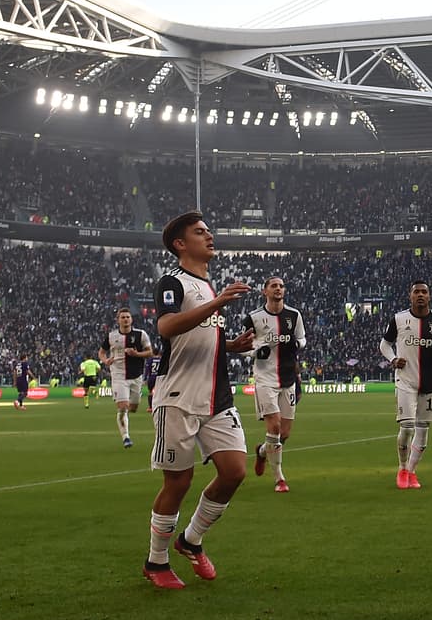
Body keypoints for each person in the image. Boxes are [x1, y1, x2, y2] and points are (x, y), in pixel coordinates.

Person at [141, 211, 257, 590]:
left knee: (235, 471)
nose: (209, 236)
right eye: (200, 232)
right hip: (178, 396)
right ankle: (155, 562)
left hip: (216, 397)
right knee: (179, 482)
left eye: (209, 230)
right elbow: (167, 327)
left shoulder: (209, 288)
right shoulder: (173, 282)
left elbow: (203, 339)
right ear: (180, 243)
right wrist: (218, 303)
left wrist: (232, 346)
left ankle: (190, 540)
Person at [380, 279, 432, 489]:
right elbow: (384, 344)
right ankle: (402, 469)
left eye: (424, 292)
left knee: (422, 430)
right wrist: (393, 359)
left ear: (429, 296)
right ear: (410, 296)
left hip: (429, 382)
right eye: (416, 292)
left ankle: (412, 472)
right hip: (405, 380)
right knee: (407, 427)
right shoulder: (399, 319)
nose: (420, 295)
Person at [240, 276, 306, 493]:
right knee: (275, 426)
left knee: (284, 433)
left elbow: (302, 339)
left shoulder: (294, 315)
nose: (278, 289)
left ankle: (261, 453)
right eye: (273, 286)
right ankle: (279, 478)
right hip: (265, 378)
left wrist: (296, 343)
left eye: (281, 286)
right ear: (264, 292)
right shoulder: (253, 318)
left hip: (288, 379)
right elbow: (242, 345)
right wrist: (257, 350)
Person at [100, 308, 154, 448]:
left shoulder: (141, 335)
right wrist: (105, 361)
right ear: (118, 320)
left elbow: (150, 352)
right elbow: (101, 352)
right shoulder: (111, 336)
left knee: (134, 407)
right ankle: (126, 437)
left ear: (131, 319)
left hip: (136, 376)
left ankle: (125, 414)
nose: (125, 319)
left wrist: (136, 354)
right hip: (118, 376)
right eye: (122, 317)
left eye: (127, 317)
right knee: (123, 407)